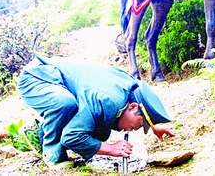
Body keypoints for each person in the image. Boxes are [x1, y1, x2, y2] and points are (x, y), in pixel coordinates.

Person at [17, 54, 174, 168]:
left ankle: (44, 131)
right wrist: (110, 149)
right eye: (138, 126)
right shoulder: (108, 100)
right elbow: (71, 137)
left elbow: (141, 99)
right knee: (65, 104)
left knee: (101, 132)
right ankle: (52, 153)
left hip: (59, 81)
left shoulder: (127, 90)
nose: (134, 130)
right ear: (132, 107)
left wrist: (153, 126)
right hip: (37, 77)